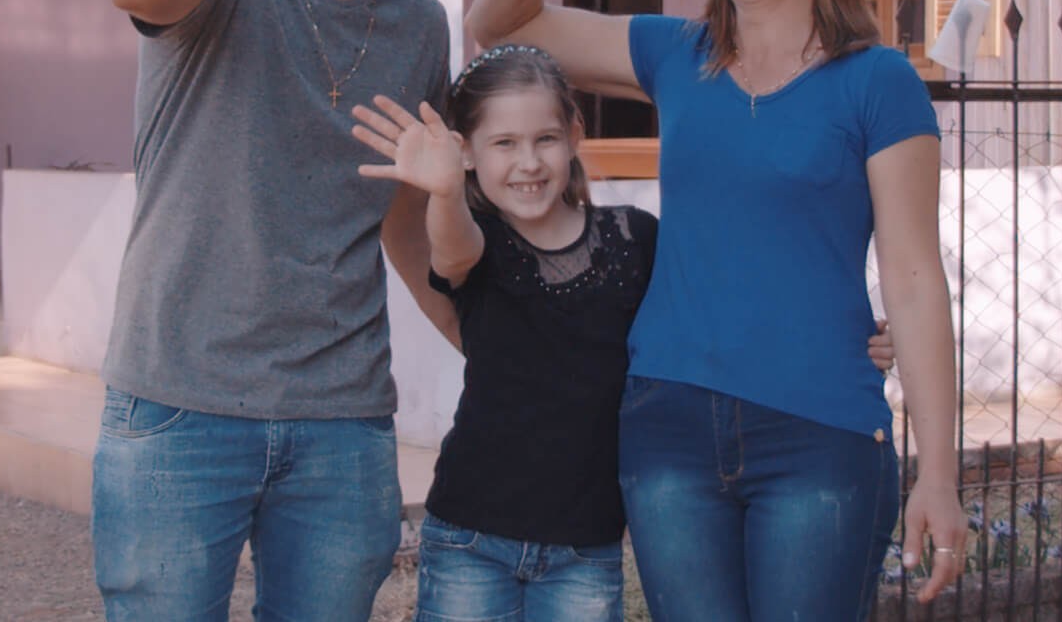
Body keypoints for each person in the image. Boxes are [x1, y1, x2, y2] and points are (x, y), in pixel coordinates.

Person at [464, 0, 969, 620]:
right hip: (669, 429)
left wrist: (941, 475)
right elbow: (498, 22)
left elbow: (915, 277)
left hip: (822, 433)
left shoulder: (879, 82)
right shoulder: (676, 52)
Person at [96, 0, 464, 621]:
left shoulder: (420, 25)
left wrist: (506, 348)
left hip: (342, 423)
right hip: (180, 405)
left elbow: (402, 222)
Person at [349, 45, 898, 622]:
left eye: (545, 139)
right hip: (470, 539)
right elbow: (453, 248)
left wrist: (849, 335)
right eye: (504, 144)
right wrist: (443, 192)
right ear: (467, 152)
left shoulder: (635, 239)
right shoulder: (479, 240)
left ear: (575, 134)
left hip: (585, 550)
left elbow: (716, 303)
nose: (528, 162)